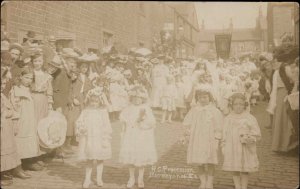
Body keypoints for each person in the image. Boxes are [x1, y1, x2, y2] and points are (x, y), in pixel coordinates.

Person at [183, 87, 223, 189]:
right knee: (199, 161)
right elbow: (187, 122)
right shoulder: (194, 110)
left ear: (210, 98)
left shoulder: (215, 111)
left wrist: (217, 138)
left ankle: (209, 182)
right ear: (197, 99)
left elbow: (219, 125)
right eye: (200, 97)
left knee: (210, 161)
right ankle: (203, 181)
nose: (202, 99)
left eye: (205, 97)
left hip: (210, 139)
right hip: (197, 139)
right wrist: (187, 133)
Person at [119, 85, 157, 188]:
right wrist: (125, 127)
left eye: (139, 98)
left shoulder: (146, 108)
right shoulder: (128, 109)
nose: (137, 100)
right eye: (134, 98)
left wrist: (143, 121)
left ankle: (140, 178)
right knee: (131, 157)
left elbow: (152, 122)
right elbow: (123, 119)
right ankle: (131, 177)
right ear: (131, 99)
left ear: (143, 99)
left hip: (142, 136)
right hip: (131, 135)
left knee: (141, 157)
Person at [222, 93, 261, 189]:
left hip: (245, 147)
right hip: (233, 147)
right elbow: (224, 133)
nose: (238, 106)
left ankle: (244, 186)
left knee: (245, 167)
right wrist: (223, 145)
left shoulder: (249, 118)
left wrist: (250, 137)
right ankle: (237, 186)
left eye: (241, 104)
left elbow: (256, 133)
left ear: (245, 105)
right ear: (232, 105)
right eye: (236, 104)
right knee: (234, 167)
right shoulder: (228, 118)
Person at [75, 87, 112, 189]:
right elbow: (79, 121)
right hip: (89, 138)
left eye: (96, 102)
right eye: (92, 101)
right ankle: (87, 178)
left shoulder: (103, 112)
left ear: (100, 101)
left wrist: (106, 136)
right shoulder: (86, 111)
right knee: (89, 159)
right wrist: (81, 128)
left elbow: (107, 124)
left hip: (100, 138)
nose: (94, 104)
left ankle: (99, 178)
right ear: (89, 101)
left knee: (100, 158)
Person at [10, 68, 42, 173]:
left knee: (30, 139)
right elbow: (14, 106)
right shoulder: (16, 89)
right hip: (21, 119)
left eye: (31, 78)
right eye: (26, 77)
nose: (28, 80)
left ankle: (28, 161)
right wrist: (15, 119)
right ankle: (17, 166)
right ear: (20, 77)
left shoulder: (29, 90)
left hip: (30, 118)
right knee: (20, 139)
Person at [267, 45, 299, 153]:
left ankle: (285, 145)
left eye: (274, 61)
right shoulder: (279, 69)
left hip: (284, 93)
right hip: (279, 94)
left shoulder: (284, 67)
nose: (273, 63)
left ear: (277, 60)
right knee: (281, 118)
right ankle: (282, 145)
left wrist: (292, 89)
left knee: (284, 118)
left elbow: (294, 79)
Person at [1, 68, 21, 186]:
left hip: (6, 128)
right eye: (1, 83)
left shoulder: (2, 96)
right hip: (2, 127)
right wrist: (8, 114)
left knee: (6, 147)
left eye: (4, 83)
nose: (2, 86)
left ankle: (4, 171)